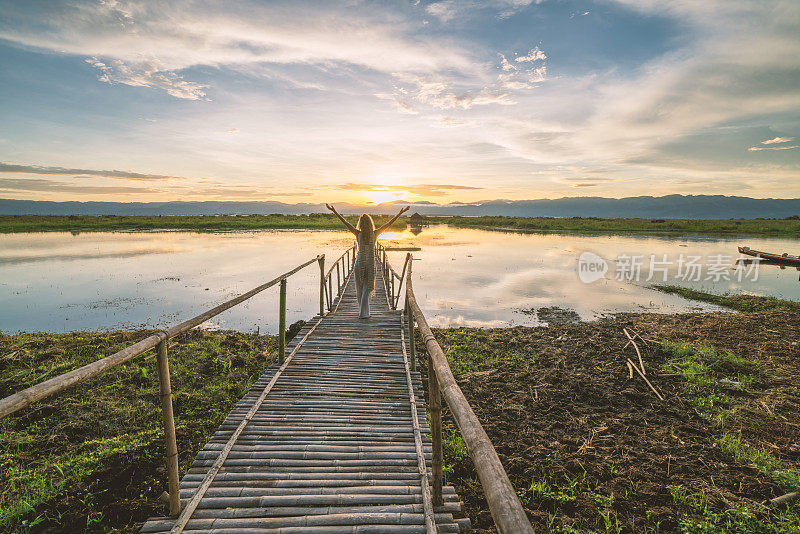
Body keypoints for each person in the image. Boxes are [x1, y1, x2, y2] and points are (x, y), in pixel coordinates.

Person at [326, 204, 409, 318]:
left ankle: (364, 312)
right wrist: (400, 213)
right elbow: (388, 224)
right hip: (370, 264)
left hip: (359, 264)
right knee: (367, 288)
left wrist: (334, 211)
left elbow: (345, 222)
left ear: (360, 223)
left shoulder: (358, 233)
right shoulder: (374, 234)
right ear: (370, 223)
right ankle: (363, 313)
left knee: (360, 290)